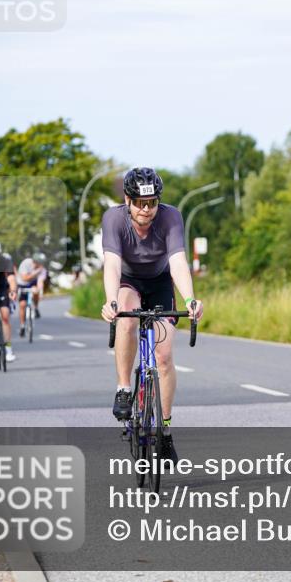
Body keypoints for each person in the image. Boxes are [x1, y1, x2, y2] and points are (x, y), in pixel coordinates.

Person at [100, 167, 204, 463]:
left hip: (159, 283)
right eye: (140, 203)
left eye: (152, 203)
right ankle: (123, 388)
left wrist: (190, 299)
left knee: (164, 356)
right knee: (127, 316)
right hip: (128, 281)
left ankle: (165, 431)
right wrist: (111, 301)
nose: (147, 210)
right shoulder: (114, 219)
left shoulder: (170, 216)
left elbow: (178, 262)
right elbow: (112, 264)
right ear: (128, 200)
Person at [16, 254, 44, 335]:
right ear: (34, 261)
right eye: (38, 263)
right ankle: (22, 325)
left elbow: (40, 281)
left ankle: (36, 308)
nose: (39, 265)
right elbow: (25, 278)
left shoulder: (42, 268)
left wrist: (40, 291)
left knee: (36, 292)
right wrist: (36, 272)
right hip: (22, 283)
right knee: (22, 305)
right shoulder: (25, 264)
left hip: (32, 283)